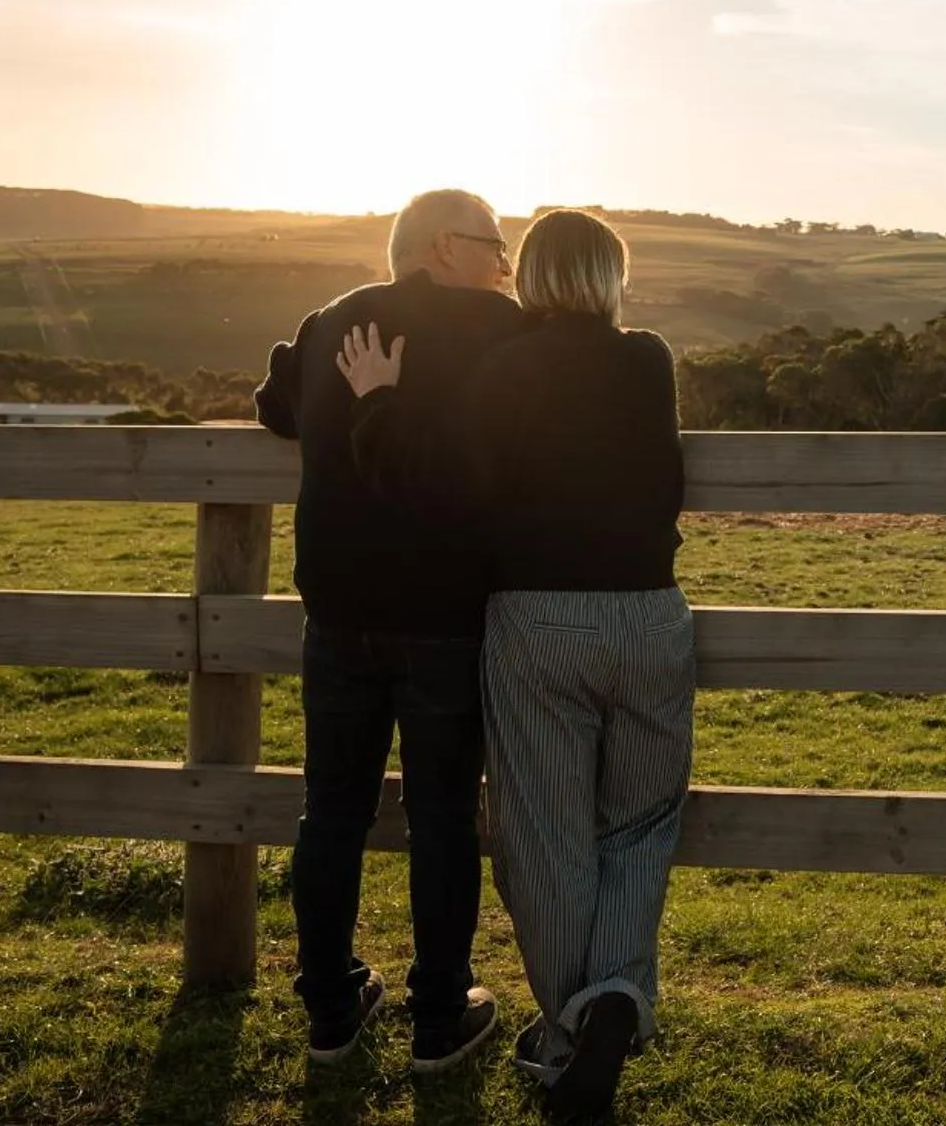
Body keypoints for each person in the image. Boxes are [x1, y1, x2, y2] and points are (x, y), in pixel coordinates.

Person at [336, 208, 690, 1124]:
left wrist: (376, 400)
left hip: (538, 622)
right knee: (642, 825)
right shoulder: (649, 358)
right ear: (611, 279)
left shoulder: (508, 369)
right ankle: (611, 1000)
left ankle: (576, 1029)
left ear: (528, 276)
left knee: (543, 834)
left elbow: (438, 485)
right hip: (651, 618)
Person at [254, 188, 530, 1070]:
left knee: (329, 811)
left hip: (336, 612)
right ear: (445, 246)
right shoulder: (498, 328)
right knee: (444, 816)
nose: (505, 265)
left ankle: (331, 1011)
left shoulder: (332, 319)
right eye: (497, 247)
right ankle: (440, 1019)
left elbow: (275, 409)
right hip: (448, 615)